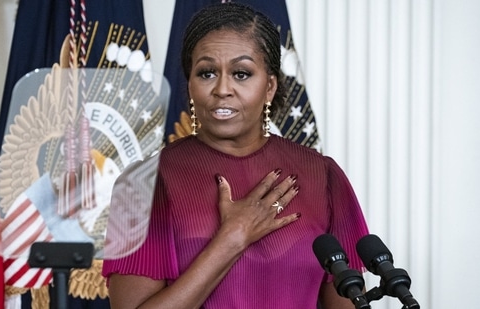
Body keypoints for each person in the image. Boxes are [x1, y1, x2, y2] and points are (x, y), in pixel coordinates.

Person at [102, 2, 369, 308]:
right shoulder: (142, 185)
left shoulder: (323, 178)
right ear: (189, 85)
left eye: (241, 74)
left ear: (269, 87)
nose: (222, 89)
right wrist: (233, 237)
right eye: (206, 73)